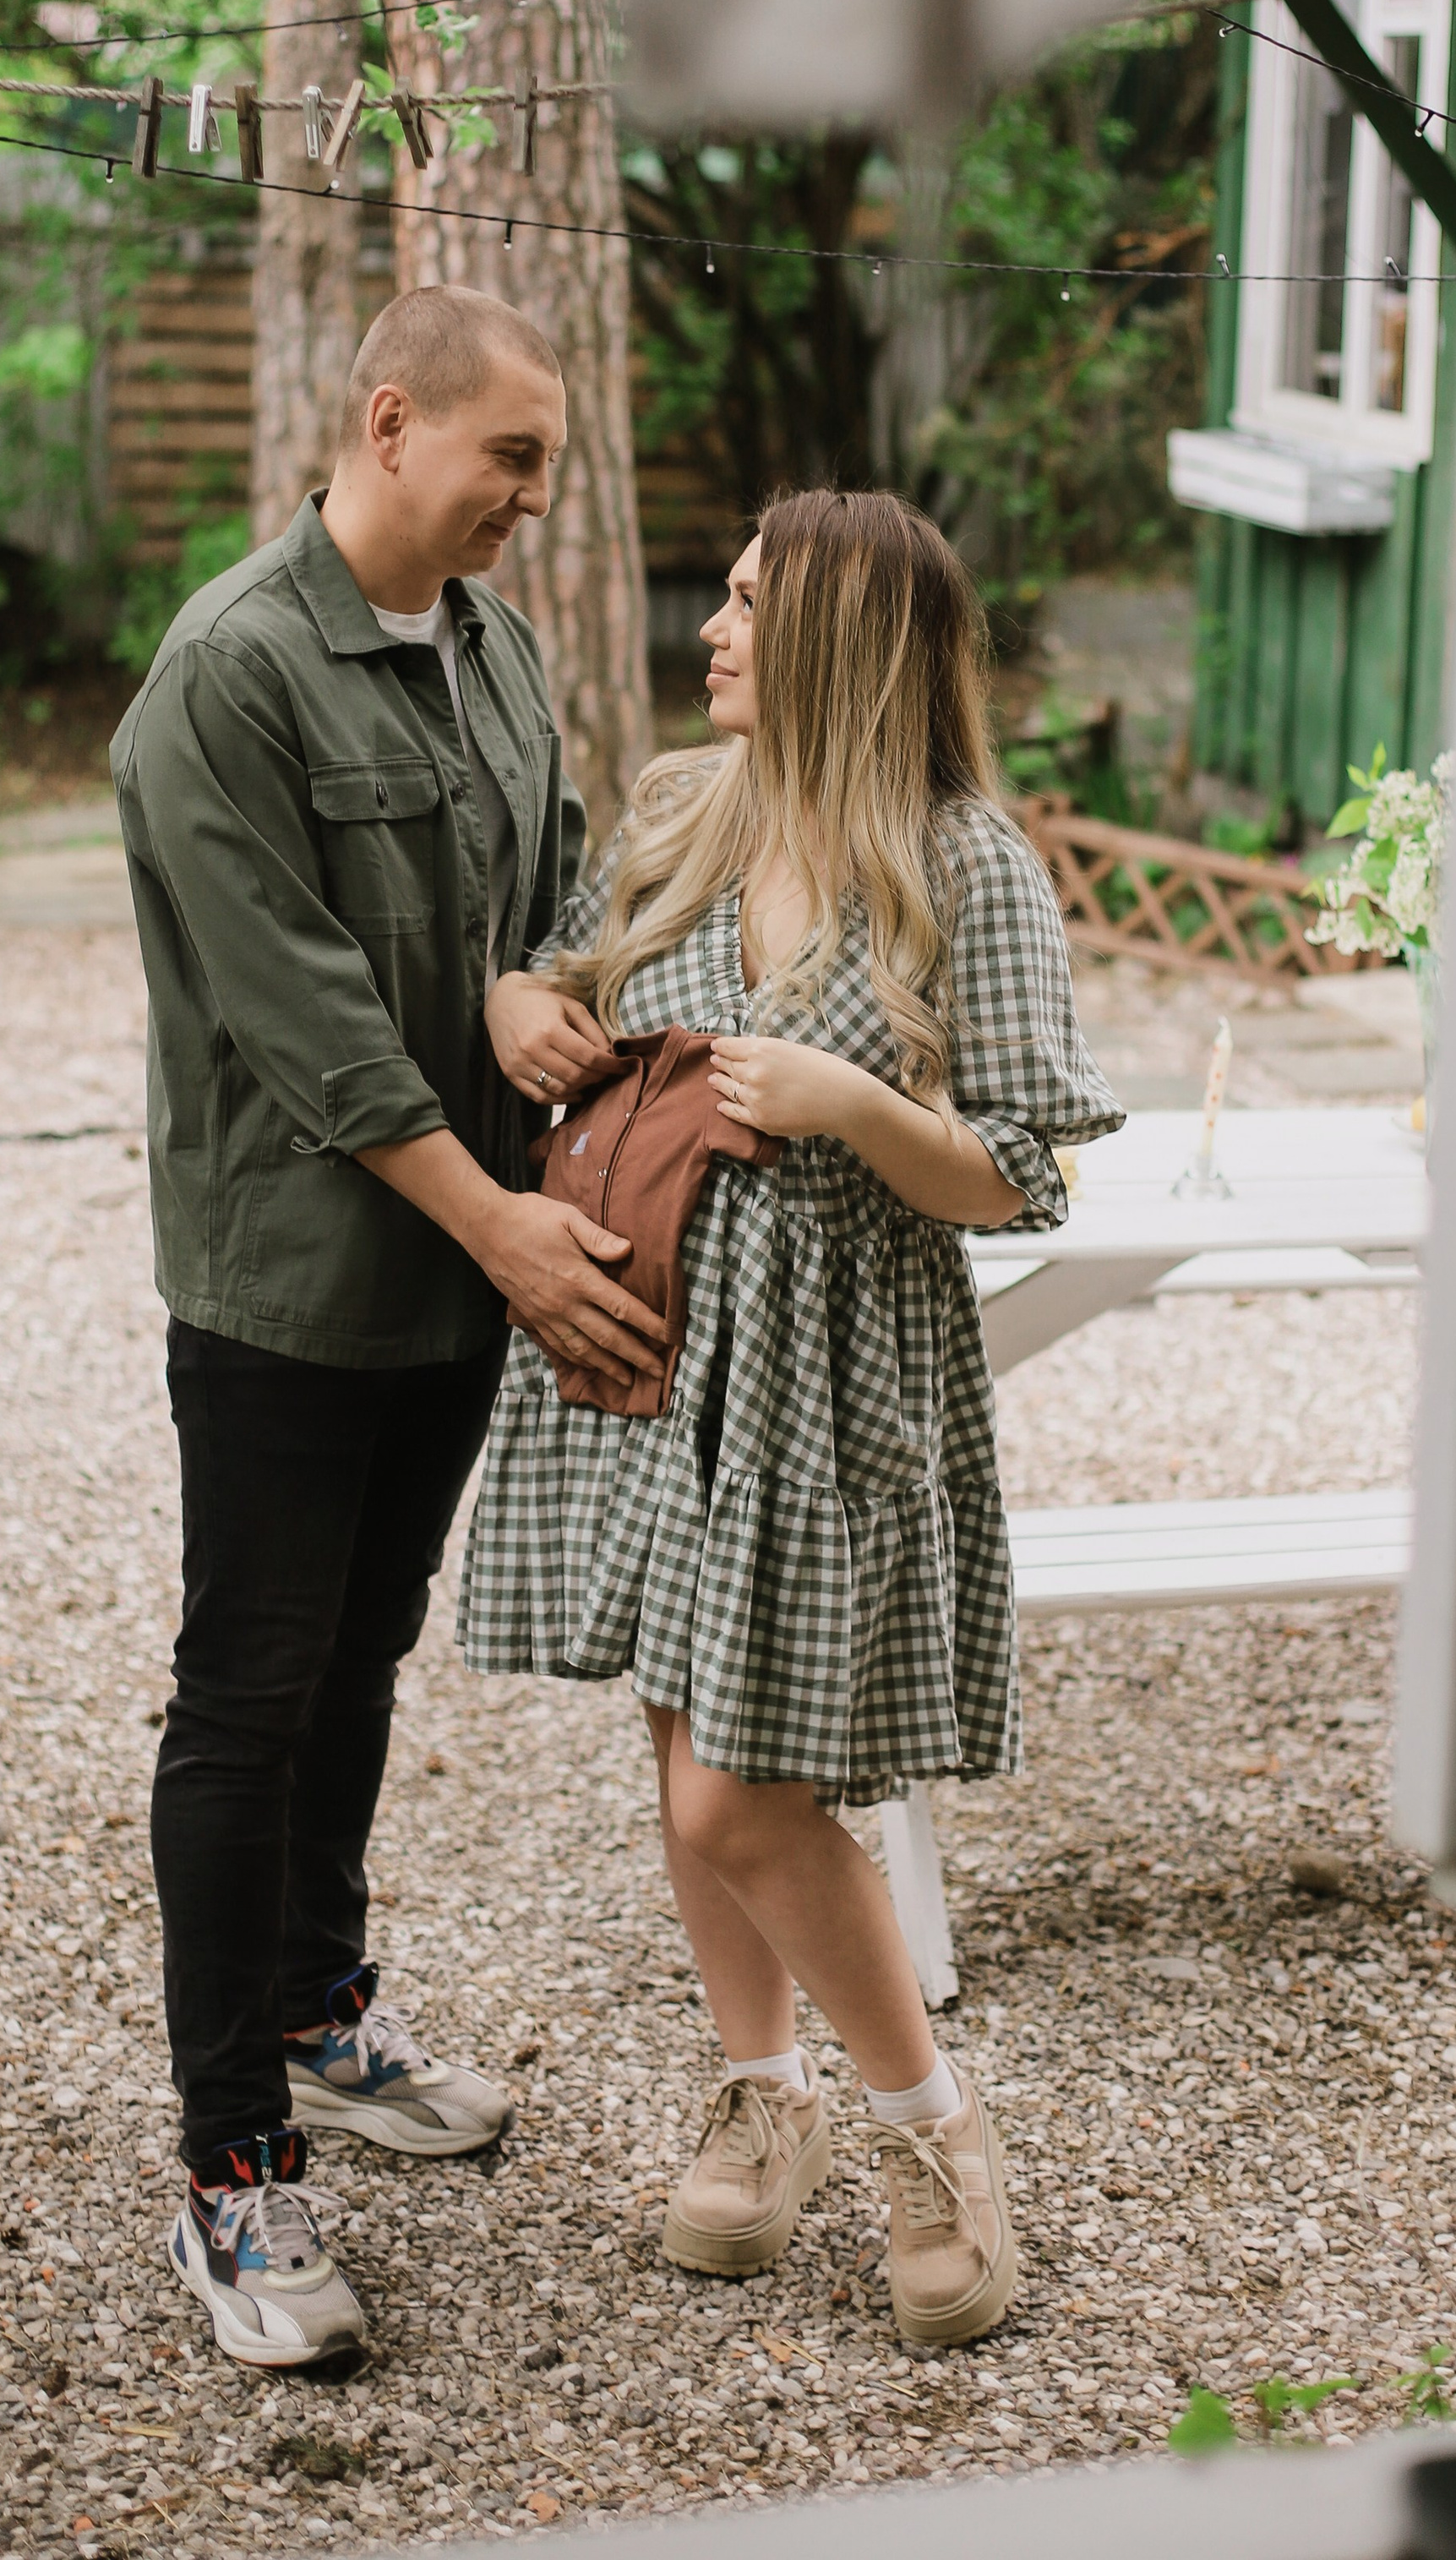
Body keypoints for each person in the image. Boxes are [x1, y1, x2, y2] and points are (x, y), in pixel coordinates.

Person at [461, 489, 1123, 2349]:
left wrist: (856, 1105)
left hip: (839, 1361)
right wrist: (522, 993)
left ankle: (930, 2129)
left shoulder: (964, 864)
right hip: (664, 1337)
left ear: (840, 638)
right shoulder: (687, 807)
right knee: (687, 1744)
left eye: (749, 606)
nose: (713, 630)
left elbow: (1014, 1177)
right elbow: (583, 989)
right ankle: (762, 2095)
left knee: (744, 1786)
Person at [112, 284, 669, 2368]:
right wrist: (511, 1233)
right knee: (246, 1694)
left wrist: (540, 975)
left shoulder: (500, 646)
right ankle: (231, 2171)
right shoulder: (227, 676)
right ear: (386, 420)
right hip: (292, 1282)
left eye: (546, 463)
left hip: (455, 1275)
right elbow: (309, 1026)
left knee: (359, 1658)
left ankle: (322, 2010)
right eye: (512, 457)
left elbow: (558, 872)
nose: (538, 496)